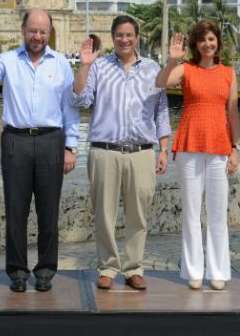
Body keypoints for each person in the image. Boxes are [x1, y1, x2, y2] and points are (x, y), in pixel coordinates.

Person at [0, 10, 80, 293]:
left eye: (43, 31)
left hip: (51, 140)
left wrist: (71, 145)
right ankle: (17, 271)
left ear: (49, 32)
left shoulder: (62, 64)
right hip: (15, 140)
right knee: (16, 211)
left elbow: (70, 108)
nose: (37, 36)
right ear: (23, 30)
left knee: (48, 211)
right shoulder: (7, 60)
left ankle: (45, 270)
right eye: (33, 30)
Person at [71, 15, 170, 291]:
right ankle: (107, 267)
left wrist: (164, 149)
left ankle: (134, 267)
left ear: (136, 38)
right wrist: (84, 66)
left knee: (138, 214)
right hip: (105, 152)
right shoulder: (99, 67)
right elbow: (80, 99)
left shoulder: (152, 69)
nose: (124, 40)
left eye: (129, 35)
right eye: (119, 35)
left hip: (141, 152)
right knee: (104, 213)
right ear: (113, 37)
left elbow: (161, 111)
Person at [155, 20, 239, 291]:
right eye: (203, 40)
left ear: (218, 43)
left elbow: (233, 113)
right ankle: (192, 270)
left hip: (219, 146)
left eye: (212, 39)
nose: (208, 44)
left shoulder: (228, 73)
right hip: (189, 145)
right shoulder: (186, 69)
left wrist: (235, 148)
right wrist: (171, 60)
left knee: (217, 213)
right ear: (195, 44)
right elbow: (160, 83)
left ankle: (217, 271)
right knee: (191, 212)